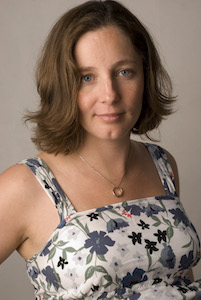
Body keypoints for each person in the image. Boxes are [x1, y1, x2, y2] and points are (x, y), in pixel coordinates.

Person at [0, 0, 201, 299]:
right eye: (87, 77)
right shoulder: (25, 185)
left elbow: (179, 280)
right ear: (63, 85)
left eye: (124, 72)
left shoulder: (163, 165)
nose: (109, 95)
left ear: (145, 75)